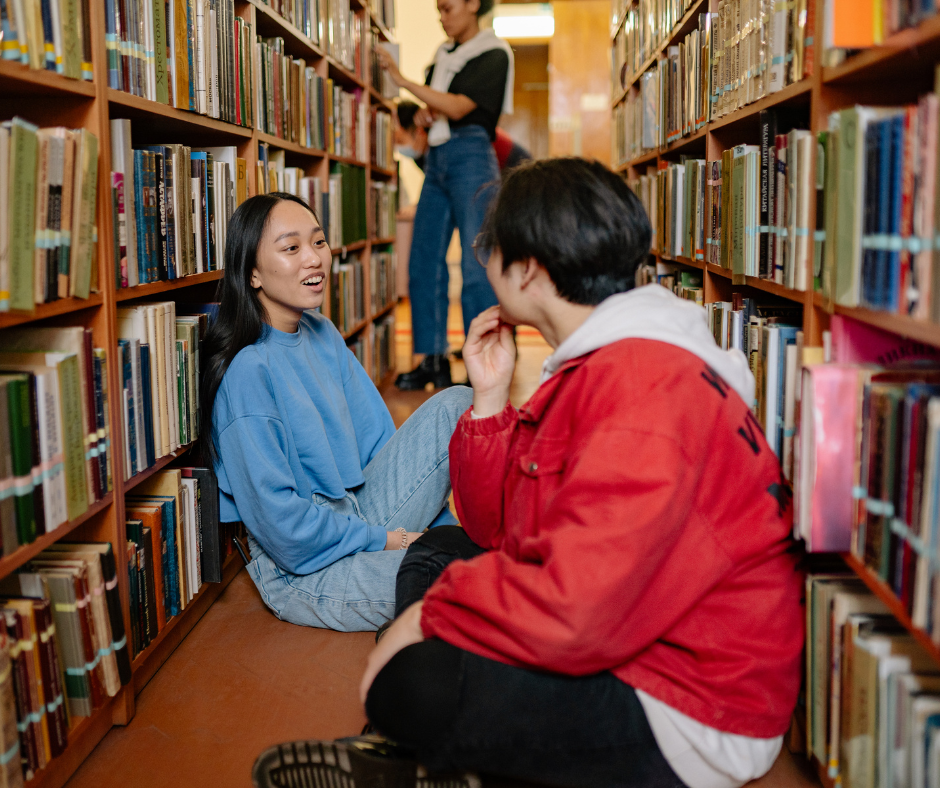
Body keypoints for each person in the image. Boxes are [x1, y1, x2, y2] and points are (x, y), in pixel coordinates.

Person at [252, 160, 804, 788]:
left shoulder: (643, 393)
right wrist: (488, 402)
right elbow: (495, 529)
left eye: (491, 248)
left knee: (410, 685)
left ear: (530, 272)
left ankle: (419, 754)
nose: (483, 261)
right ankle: (440, 747)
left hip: (687, 706)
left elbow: (578, 614)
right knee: (438, 548)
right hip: (637, 629)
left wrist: (429, 619)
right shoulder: (601, 358)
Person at [200, 192, 472, 632]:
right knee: (467, 579)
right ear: (251, 273)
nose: (314, 259)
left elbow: (382, 446)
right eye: (291, 248)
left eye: (319, 242)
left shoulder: (321, 330)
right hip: (305, 569)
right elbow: (286, 532)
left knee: (457, 401)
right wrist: (395, 542)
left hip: (361, 512)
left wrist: (442, 535)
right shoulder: (247, 373)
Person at [376, 0, 514, 392]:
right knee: (424, 259)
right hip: (437, 159)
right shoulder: (441, 56)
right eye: (438, 9)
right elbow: (439, 109)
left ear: (473, 5)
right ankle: (432, 360)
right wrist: (423, 114)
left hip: (472, 156)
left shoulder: (493, 53)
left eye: (448, 7)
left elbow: (458, 106)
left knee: (477, 264)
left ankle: (482, 363)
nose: (441, 16)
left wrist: (402, 82)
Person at [395, 99, 532, 175]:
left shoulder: (444, 136)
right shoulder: (422, 157)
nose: (397, 148)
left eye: (399, 141)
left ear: (419, 131)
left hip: (512, 161)